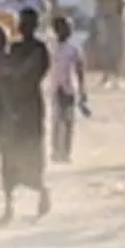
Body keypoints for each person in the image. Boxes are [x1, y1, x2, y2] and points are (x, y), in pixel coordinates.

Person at [0, 9, 51, 224]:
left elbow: (27, 74)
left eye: (28, 23)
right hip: (9, 107)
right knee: (8, 156)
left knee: (31, 153)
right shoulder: (14, 49)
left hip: (29, 107)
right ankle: (9, 206)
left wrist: (12, 75)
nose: (24, 27)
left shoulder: (39, 50)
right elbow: (1, 73)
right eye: (22, 23)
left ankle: (41, 191)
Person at [49, 15, 87, 163]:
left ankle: (66, 152)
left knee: (68, 120)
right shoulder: (51, 47)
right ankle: (55, 151)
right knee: (56, 120)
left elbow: (80, 69)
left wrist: (83, 90)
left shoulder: (73, 48)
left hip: (69, 88)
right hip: (54, 87)